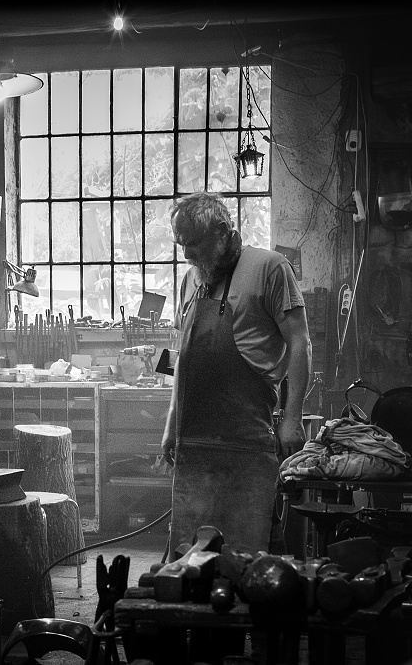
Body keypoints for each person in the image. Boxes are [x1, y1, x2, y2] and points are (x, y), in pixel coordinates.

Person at [159, 191, 311, 553]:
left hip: (246, 441)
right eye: (181, 244)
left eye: (193, 244)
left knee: (245, 554)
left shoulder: (269, 268)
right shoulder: (191, 280)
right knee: (188, 554)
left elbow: (300, 342)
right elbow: (184, 359)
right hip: (194, 444)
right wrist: (170, 425)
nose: (186, 254)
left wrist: (293, 419)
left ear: (222, 232)